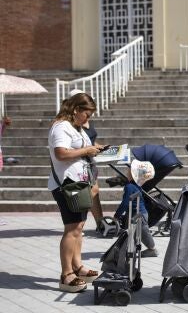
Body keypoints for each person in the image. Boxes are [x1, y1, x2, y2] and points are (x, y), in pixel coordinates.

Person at [48, 93, 104, 292]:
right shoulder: (61, 127)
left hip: (79, 184)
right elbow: (61, 153)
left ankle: (77, 267)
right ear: (75, 110)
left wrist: (94, 148)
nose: (88, 119)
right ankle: (66, 274)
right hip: (66, 185)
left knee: (78, 227)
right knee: (71, 230)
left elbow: (80, 149)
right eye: (86, 114)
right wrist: (87, 151)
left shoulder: (75, 127)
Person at [69, 89, 104, 233]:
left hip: (89, 161)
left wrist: (99, 147)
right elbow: (72, 146)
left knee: (95, 193)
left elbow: (89, 140)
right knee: (92, 191)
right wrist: (88, 149)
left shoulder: (86, 118)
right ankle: (77, 220)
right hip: (80, 163)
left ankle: (100, 223)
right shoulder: (72, 123)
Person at [113, 159, 158, 257]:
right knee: (135, 233)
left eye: (129, 171)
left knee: (143, 233)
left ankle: (152, 249)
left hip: (139, 214)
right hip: (139, 213)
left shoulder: (129, 186)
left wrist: (117, 215)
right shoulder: (135, 185)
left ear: (134, 174)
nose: (127, 172)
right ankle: (129, 250)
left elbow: (125, 203)